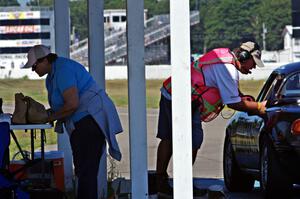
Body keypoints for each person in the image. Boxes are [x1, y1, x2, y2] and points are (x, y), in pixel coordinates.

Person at [156, 41, 267, 196]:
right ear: (244, 57)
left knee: (168, 138)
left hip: (174, 92)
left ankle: (162, 181)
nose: (253, 67)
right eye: (253, 63)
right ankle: (182, 184)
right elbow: (233, 103)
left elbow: (228, 91)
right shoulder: (228, 68)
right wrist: (259, 107)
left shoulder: (224, 58)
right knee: (192, 140)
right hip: (183, 98)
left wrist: (244, 99)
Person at [23, 45, 123, 199]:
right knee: (83, 171)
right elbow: (64, 104)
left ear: (44, 60)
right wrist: (51, 113)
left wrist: (48, 117)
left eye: (34, 66)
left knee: (87, 172)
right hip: (82, 122)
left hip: (90, 121)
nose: (33, 70)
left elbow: (72, 104)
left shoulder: (63, 70)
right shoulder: (53, 74)